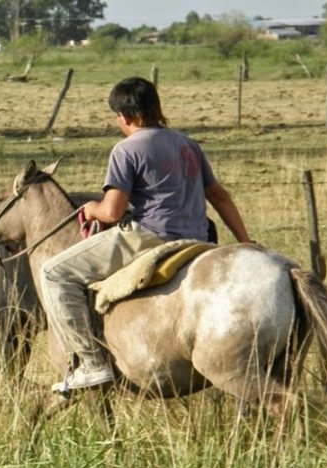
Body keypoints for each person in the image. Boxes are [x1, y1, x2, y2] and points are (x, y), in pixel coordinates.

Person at [40, 76, 251, 394]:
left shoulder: (126, 149)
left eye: (117, 118)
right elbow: (220, 196)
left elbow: (112, 212)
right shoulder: (188, 145)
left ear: (123, 116)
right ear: (156, 108)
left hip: (149, 236)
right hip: (199, 237)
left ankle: (92, 364)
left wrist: (90, 208)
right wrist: (245, 242)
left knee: (54, 273)